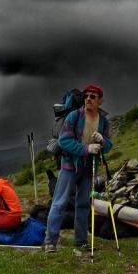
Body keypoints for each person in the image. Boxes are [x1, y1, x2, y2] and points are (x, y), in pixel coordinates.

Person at [44, 84, 113, 253]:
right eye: (86, 95)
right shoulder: (74, 116)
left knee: (83, 204)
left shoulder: (103, 121)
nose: (88, 98)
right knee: (59, 203)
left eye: (93, 96)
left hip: (90, 167)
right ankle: (50, 241)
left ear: (100, 100)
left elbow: (110, 145)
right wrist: (86, 149)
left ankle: (81, 240)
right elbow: (64, 141)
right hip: (69, 166)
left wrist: (103, 141)